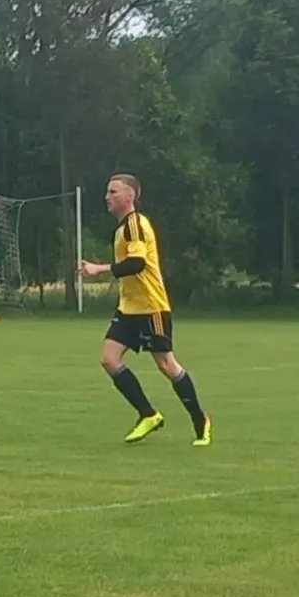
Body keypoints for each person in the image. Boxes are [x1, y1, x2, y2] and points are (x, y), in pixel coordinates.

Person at [79, 174, 212, 446]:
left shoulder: (135, 225)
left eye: (113, 192)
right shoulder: (122, 227)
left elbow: (137, 263)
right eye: (107, 192)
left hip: (152, 308)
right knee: (109, 359)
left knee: (166, 365)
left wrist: (99, 268)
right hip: (128, 309)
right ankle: (148, 414)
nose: (107, 197)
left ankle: (200, 420)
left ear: (130, 196)